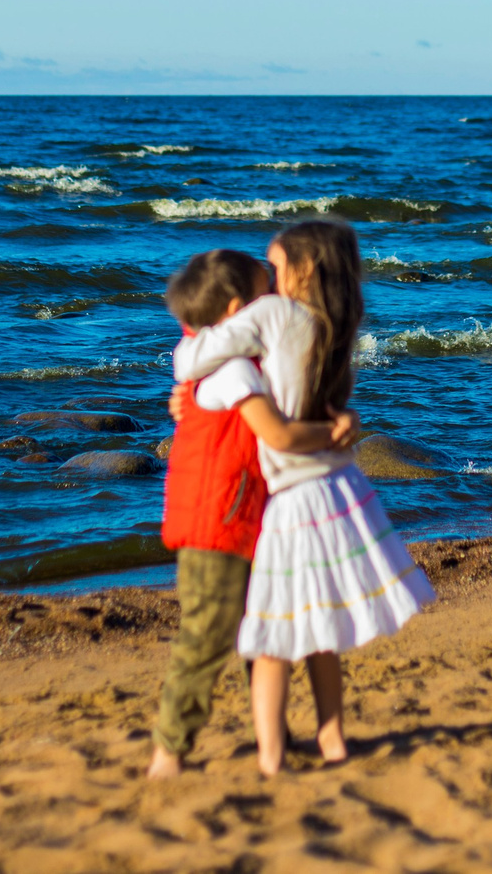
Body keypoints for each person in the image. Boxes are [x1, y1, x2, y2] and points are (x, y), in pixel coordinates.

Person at [170, 218, 434, 775]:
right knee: (321, 629)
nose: (267, 279)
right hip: (342, 487)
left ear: (302, 268)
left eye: (275, 266)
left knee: (273, 633)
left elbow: (190, 360)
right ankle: (332, 738)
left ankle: (270, 756)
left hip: (292, 493)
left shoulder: (272, 315)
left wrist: (203, 380)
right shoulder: (336, 324)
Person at [146, 249, 359, 778]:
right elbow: (276, 429)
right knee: (208, 635)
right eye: (268, 289)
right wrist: (331, 436)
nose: (277, 300)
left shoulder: (226, 360)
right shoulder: (232, 368)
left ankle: (274, 738)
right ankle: (168, 752)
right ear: (240, 308)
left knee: (260, 633)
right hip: (218, 522)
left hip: (243, 518)